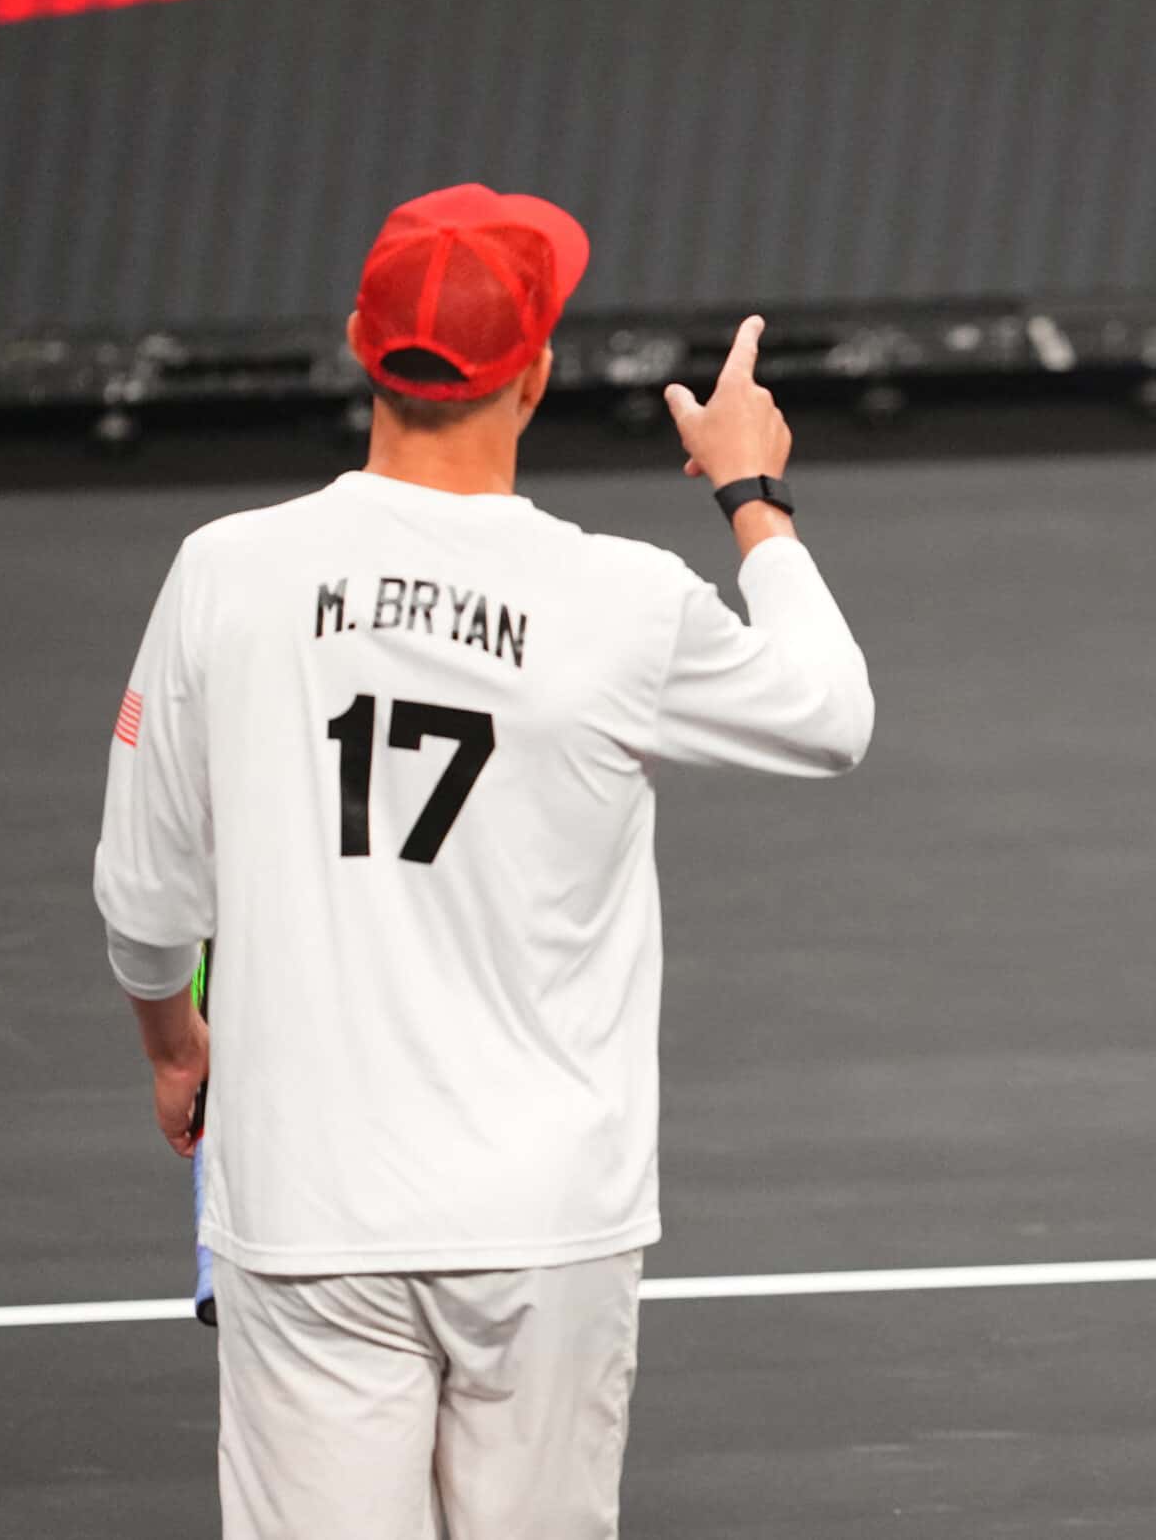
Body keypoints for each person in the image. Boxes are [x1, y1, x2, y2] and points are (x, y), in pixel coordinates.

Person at [93, 183, 873, 1538]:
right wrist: (751, 492)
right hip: (546, 1220)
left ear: (356, 342)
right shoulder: (618, 600)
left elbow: (147, 895)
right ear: (539, 374)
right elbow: (830, 713)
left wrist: (176, 1050)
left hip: (307, 1203)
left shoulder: (225, 572)